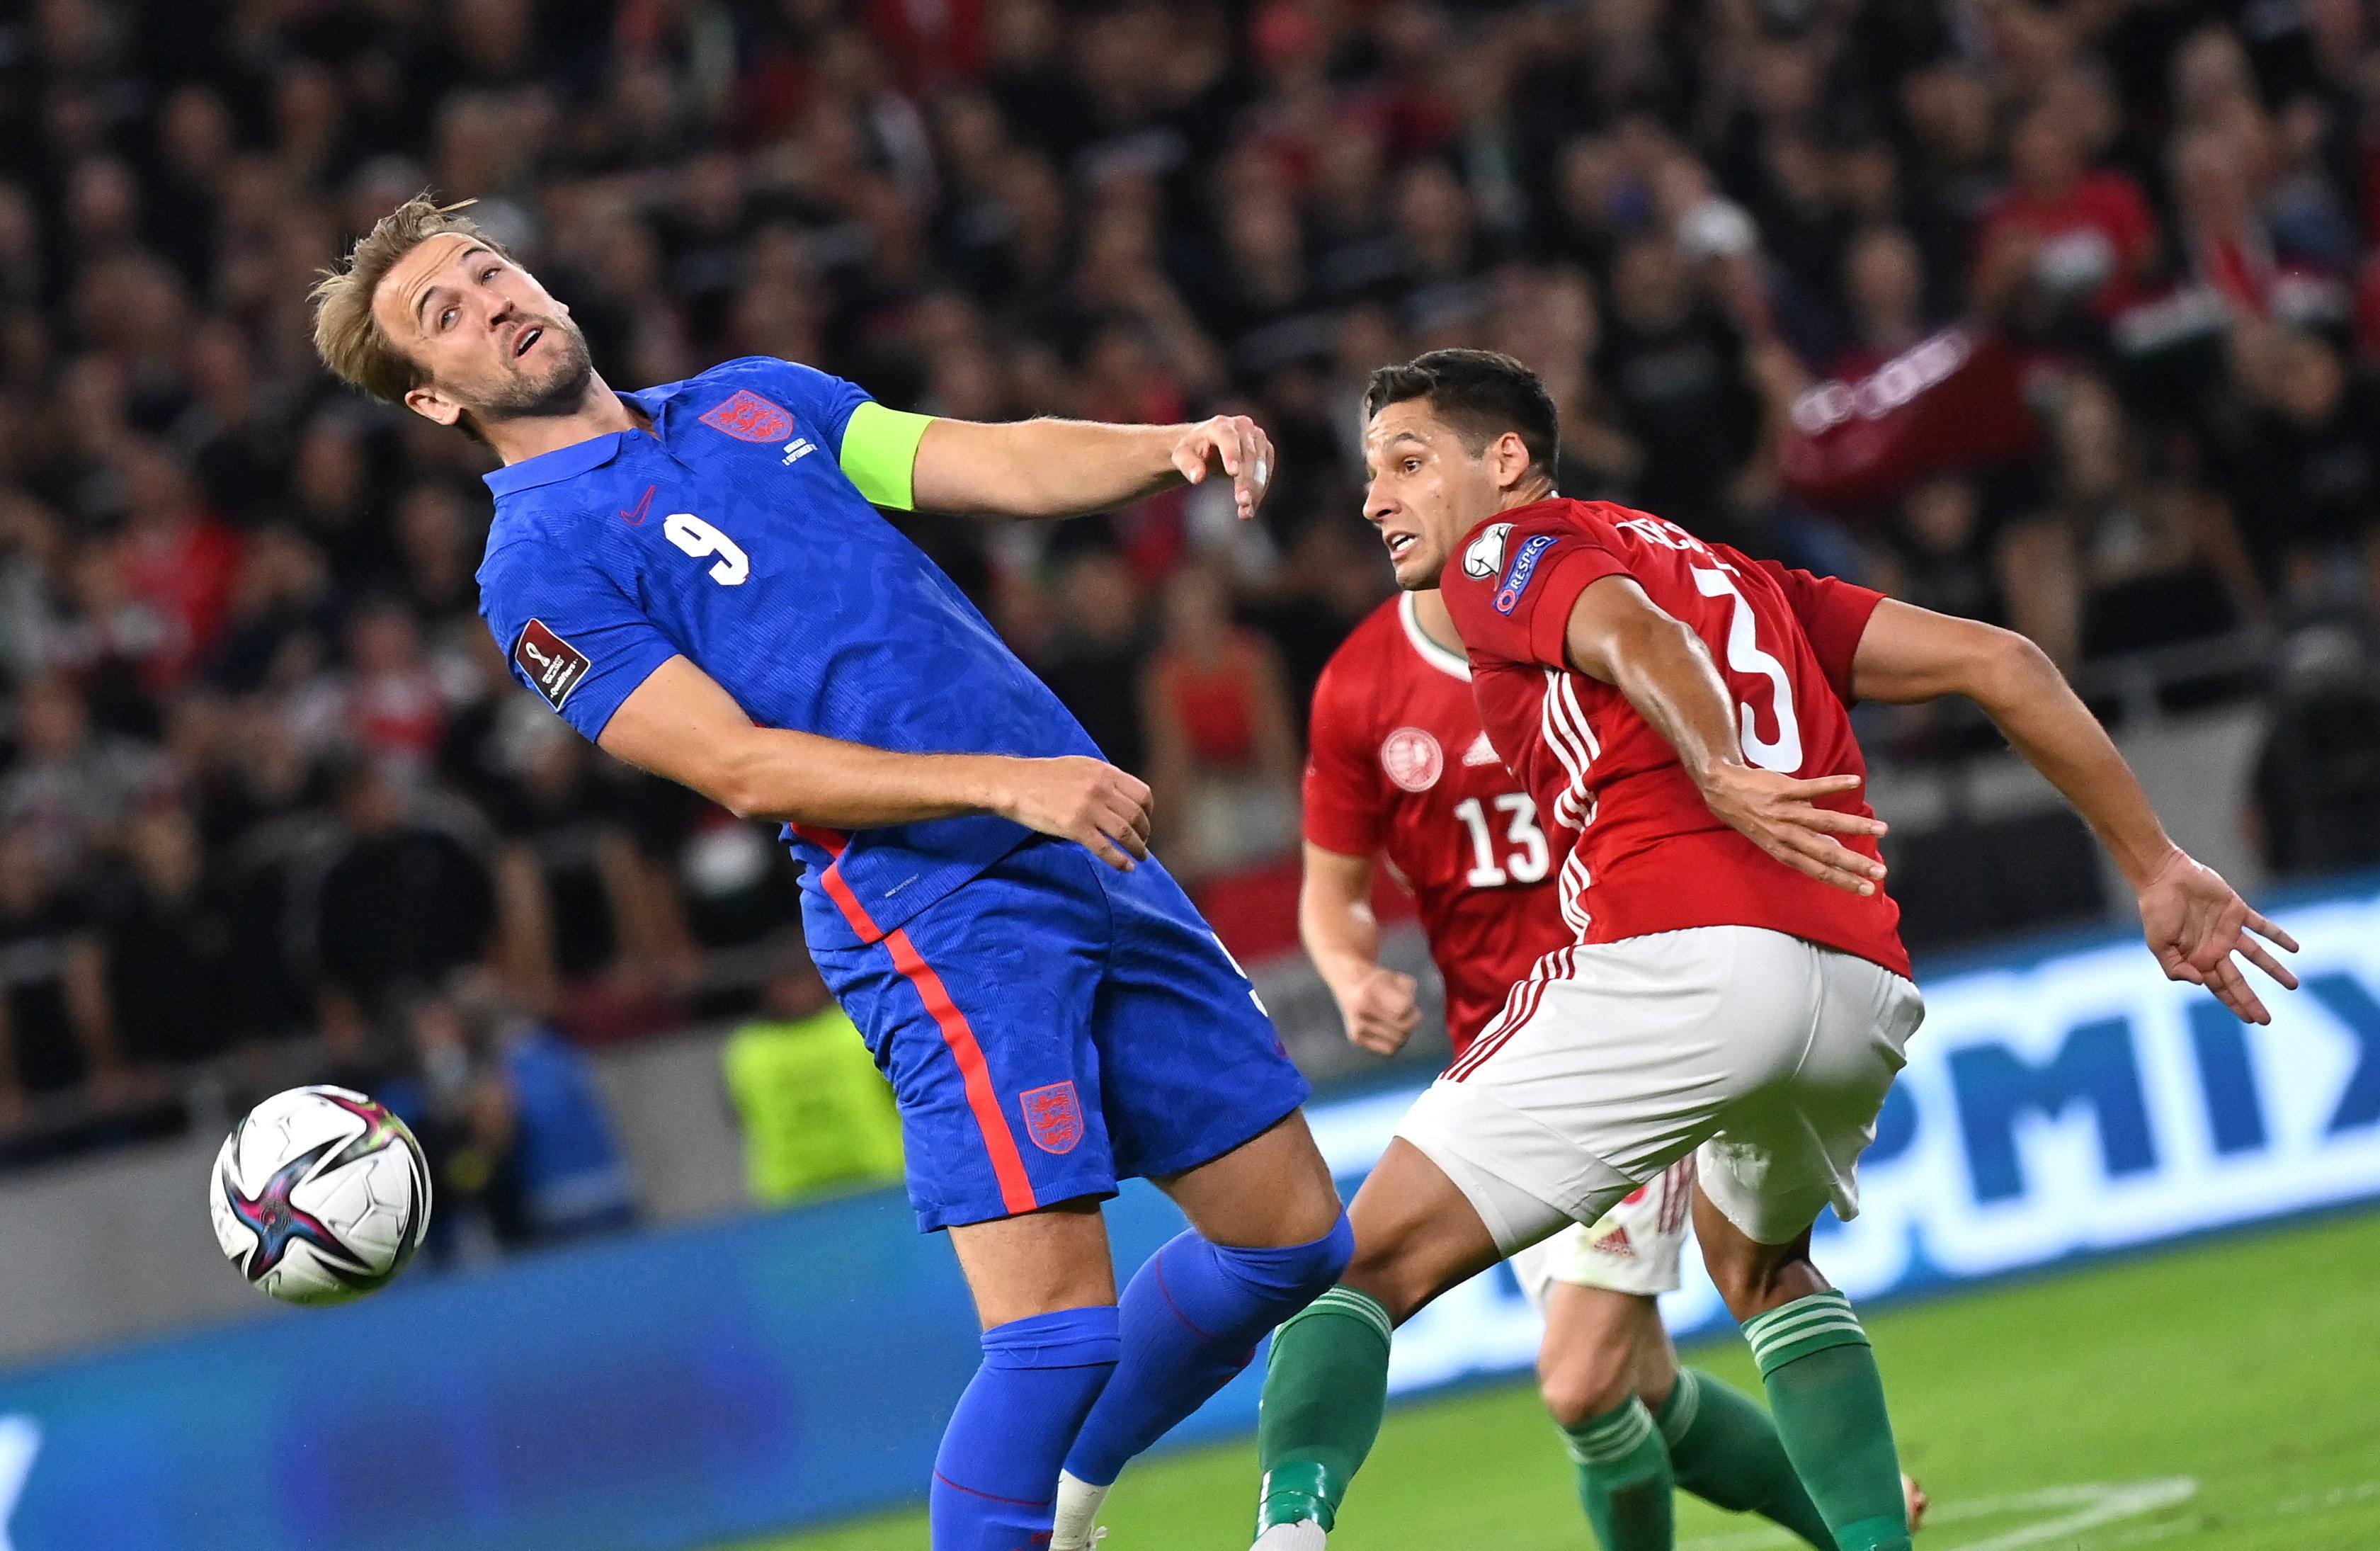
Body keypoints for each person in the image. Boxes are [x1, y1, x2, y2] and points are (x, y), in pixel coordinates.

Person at [308, 195, 1350, 1551]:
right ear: (435, 400)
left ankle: (1060, 1502)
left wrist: (1164, 448)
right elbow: (741, 767)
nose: (492, 302)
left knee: (1291, 1239)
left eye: (490, 270)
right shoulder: (537, 567)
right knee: (1052, 1337)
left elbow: (980, 455)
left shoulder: (753, 396)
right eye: (443, 315)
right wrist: (1001, 782)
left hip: (1085, 843)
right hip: (933, 907)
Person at [1252, 350, 2300, 1551]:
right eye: (1370, 470)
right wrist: (2155, 862)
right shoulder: (1742, 576)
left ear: (1506, 462)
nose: (1374, 498)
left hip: (1683, 958)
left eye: (1406, 462)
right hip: (1857, 984)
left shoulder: (1505, 551)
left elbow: (1632, 632)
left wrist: (1714, 763)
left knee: (1353, 1266)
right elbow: (2000, 661)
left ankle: (1286, 1536)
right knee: (1763, 1273)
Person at [1301, 583, 1910, 1549]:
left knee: (1582, 1382)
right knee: (1644, 1389)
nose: (1387, 511)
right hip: (1504, 1064)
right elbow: (1331, 889)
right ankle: (1857, 1508)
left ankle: (1859, 1511)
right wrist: (1349, 973)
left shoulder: (1593, 619)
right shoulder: (1359, 684)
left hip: (1635, 1027)